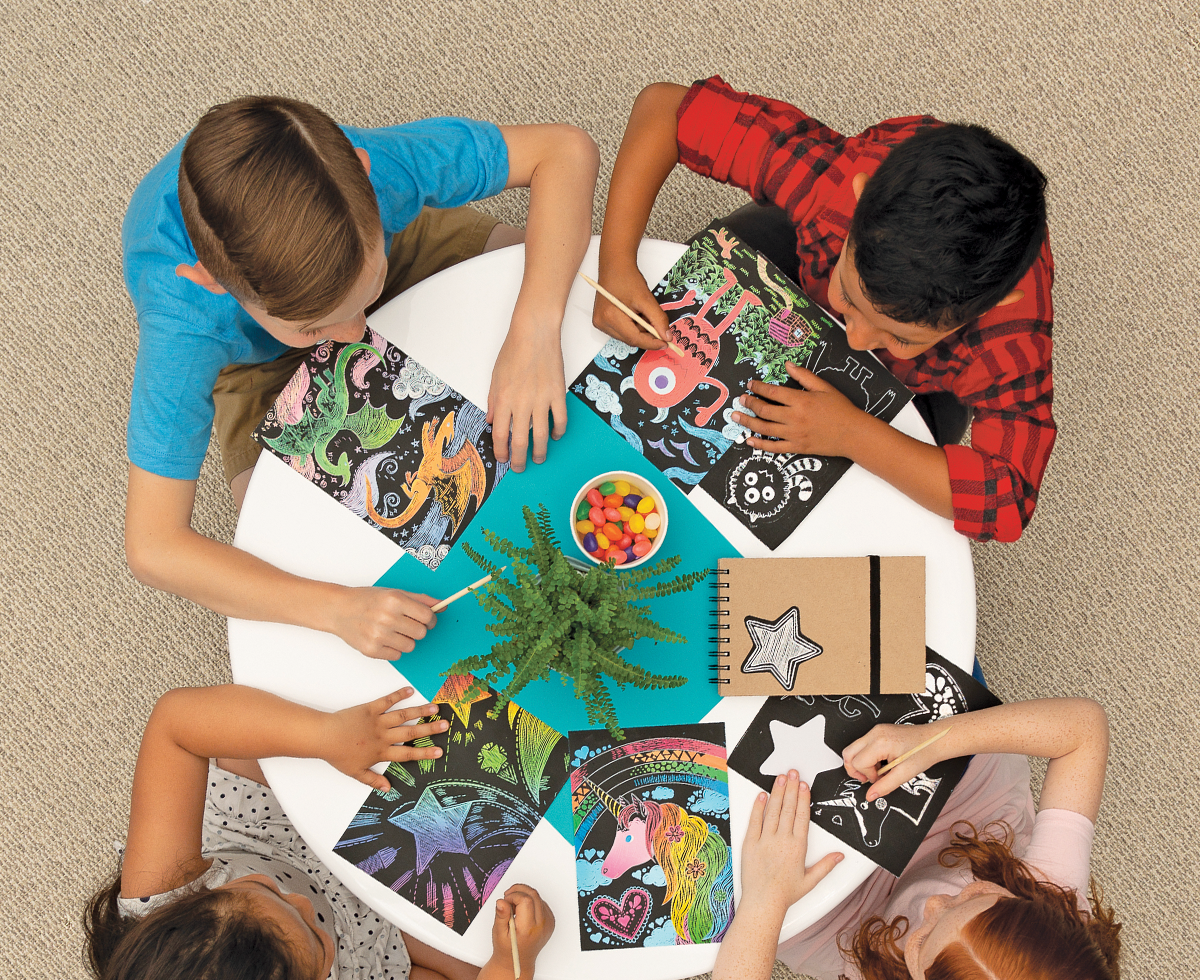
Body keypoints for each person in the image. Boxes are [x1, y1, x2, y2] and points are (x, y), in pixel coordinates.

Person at [123, 96, 599, 660]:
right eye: (314, 327)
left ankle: (340, 297)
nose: (357, 336)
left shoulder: (385, 170)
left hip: (391, 250)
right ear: (211, 282)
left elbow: (565, 150)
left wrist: (534, 332)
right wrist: (336, 609)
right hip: (259, 363)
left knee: (577, 280)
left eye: (364, 301)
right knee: (293, 545)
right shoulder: (186, 322)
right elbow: (153, 546)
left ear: (364, 170)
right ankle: (331, 306)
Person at [594, 77, 1054, 543]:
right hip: (798, 255)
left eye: (901, 338)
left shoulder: (1009, 337)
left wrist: (854, 434)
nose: (856, 341)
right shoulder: (829, 183)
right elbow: (668, 110)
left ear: (990, 310)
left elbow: (1008, 502)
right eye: (850, 299)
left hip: (912, 388)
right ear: (857, 196)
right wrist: (615, 261)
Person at [84, 683, 554, 980]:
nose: (304, 902)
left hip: (265, 831)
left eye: (266, 893)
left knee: (259, 724)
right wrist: (514, 966)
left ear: (192, 900)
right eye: (312, 934)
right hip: (364, 943)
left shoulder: (156, 893)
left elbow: (176, 722)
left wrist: (324, 735)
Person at [697, 698, 1121, 980]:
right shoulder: (1056, 897)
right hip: (963, 822)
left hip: (858, 922)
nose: (934, 905)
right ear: (1041, 905)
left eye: (923, 941)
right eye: (973, 897)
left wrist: (765, 903)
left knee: (726, 885)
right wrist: (934, 741)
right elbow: (1083, 728)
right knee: (921, 715)